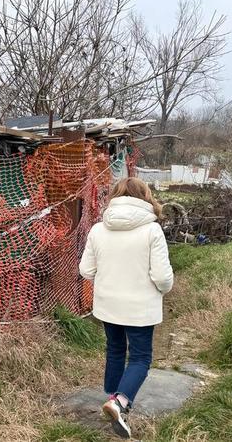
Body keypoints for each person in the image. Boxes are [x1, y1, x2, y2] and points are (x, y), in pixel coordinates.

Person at [79, 177, 174, 439]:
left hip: (108, 305)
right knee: (141, 357)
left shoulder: (98, 229)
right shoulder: (152, 230)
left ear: (115, 197)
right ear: (145, 197)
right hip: (140, 308)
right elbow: (163, 278)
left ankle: (112, 398)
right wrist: (162, 290)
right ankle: (120, 402)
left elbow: (86, 270)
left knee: (116, 349)